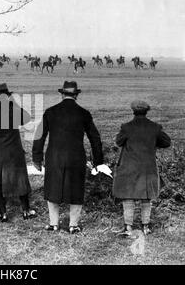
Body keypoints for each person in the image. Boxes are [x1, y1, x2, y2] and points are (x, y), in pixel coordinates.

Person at [32, 81, 103, 234]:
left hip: (54, 156)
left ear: (62, 94)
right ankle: (73, 225)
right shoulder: (84, 113)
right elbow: (95, 138)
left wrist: (37, 158)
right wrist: (98, 161)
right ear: (76, 95)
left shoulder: (50, 112)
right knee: (76, 189)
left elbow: (39, 136)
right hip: (76, 157)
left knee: (52, 189)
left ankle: (53, 224)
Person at [113, 100, 171, 237]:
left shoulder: (126, 127)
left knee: (128, 197)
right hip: (148, 168)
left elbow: (118, 142)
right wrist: (153, 144)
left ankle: (128, 227)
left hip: (129, 167)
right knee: (146, 197)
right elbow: (166, 142)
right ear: (147, 111)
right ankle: (146, 227)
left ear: (133, 111)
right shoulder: (155, 127)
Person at [0, 83, 36, 222]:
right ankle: (26, 211)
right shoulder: (14, 109)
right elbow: (27, 118)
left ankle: (3, 213)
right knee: (20, 180)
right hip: (14, 152)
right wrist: (13, 104)